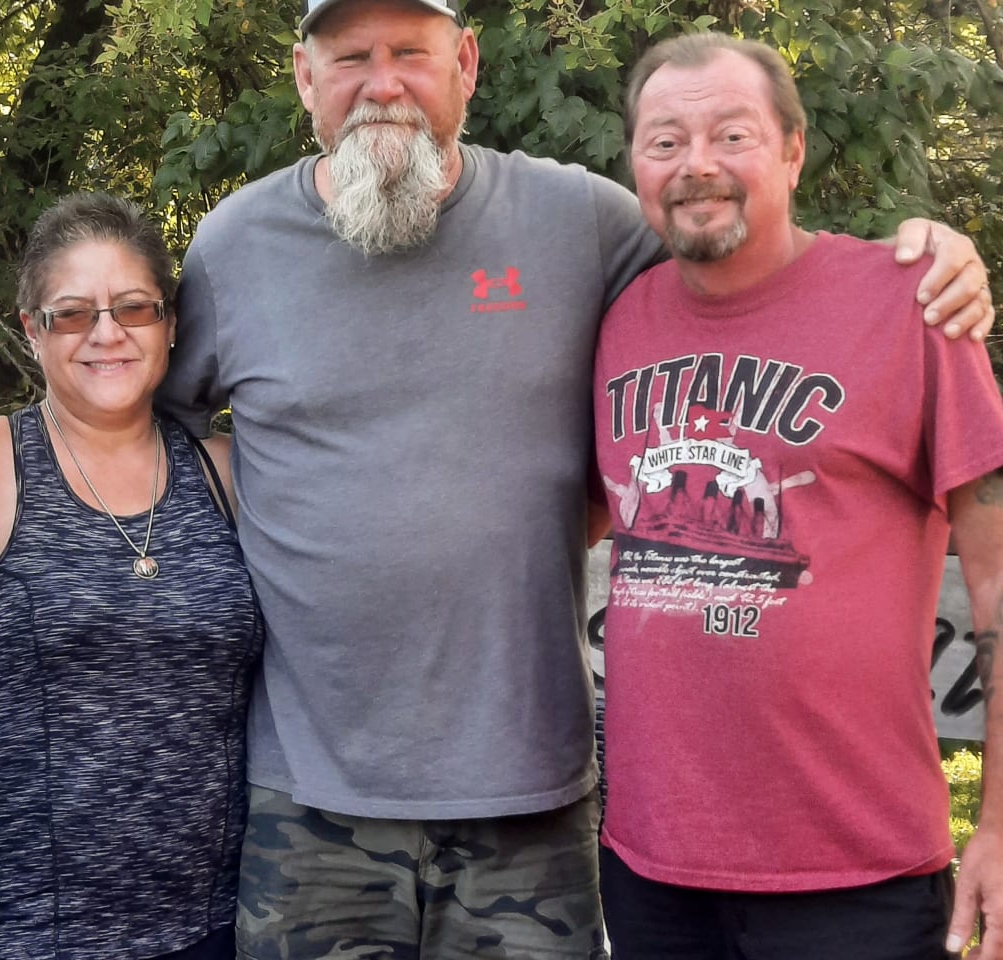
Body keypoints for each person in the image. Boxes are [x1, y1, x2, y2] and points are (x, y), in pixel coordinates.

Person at [154, 0, 997, 956]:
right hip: (311, 798)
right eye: (349, 56)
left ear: (467, 63)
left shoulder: (578, 221)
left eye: (410, 53)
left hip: (535, 795)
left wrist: (929, 253)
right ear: (304, 77)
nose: (381, 83)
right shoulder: (232, 248)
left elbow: (745, 259)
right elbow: (152, 449)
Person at [593, 32, 1003, 960]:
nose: (697, 165)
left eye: (731, 135)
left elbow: (996, 578)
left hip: (854, 875)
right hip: (652, 871)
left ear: (792, 148)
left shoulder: (914, 304)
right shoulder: (620, 320)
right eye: (664, 142)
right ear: (635, 165)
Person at [0, 193, 262, 960]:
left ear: (170, 324)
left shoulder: (229, 474)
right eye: (72, 313)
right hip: (24, 931)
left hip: (214, 923)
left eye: (133, 309)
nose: (106, 333)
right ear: (32, 331)